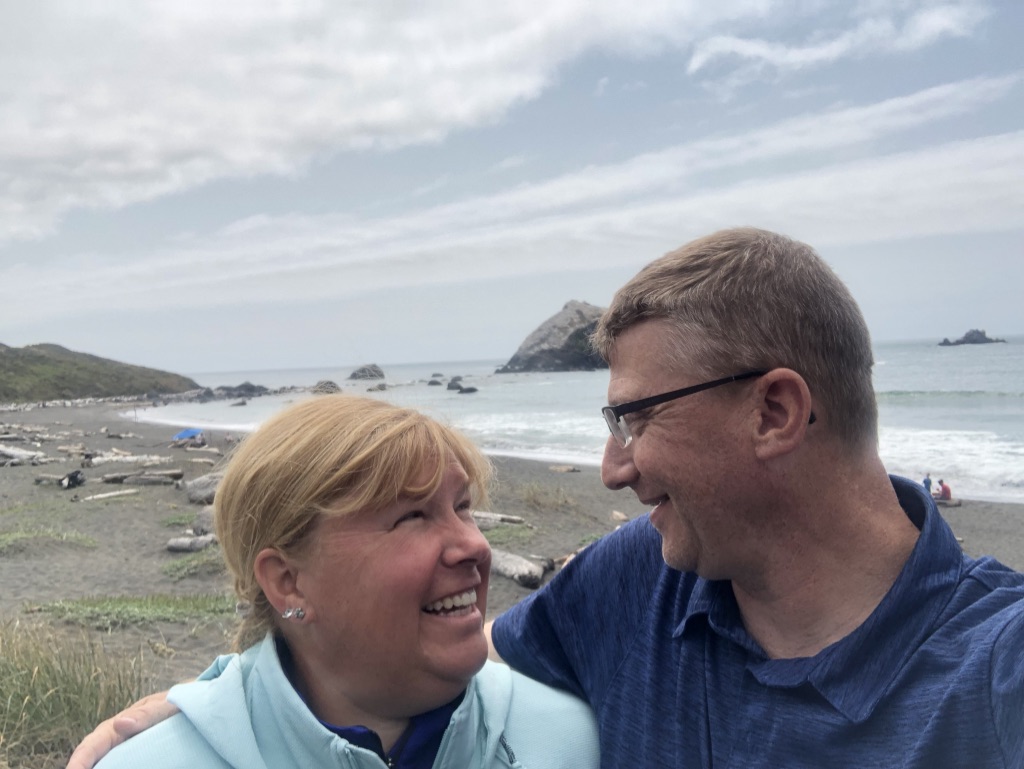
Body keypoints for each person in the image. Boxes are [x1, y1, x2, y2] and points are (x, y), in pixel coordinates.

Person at [70, 228, 1024, 768]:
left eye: (635, 417)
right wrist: (208, 711)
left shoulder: (995, 671)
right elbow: (426, 645)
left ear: (774, 411)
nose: (613, 468)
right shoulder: (641, 581)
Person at [86, 395, 598, 769]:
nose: (475, 546)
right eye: (412, 516)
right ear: (288, 582)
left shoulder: (570, 739)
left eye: (463, 507)